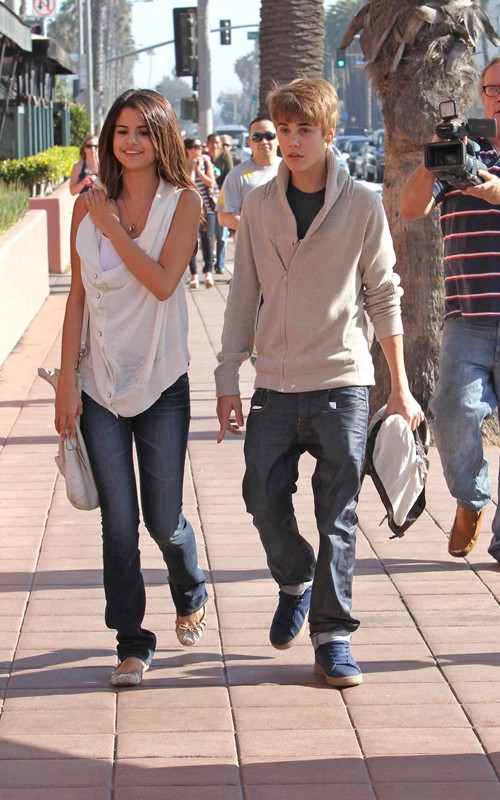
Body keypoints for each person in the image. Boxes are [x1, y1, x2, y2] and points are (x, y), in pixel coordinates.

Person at [215, 77, 422, 688]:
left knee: (338, 514)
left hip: (342, 381)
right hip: (274, 384)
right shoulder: (259, 205)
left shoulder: (361, 204)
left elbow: (384, 293)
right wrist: (227, 375)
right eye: (283, 130)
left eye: (304, 129)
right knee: (262, 498)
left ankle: (332, 636)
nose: (292, 141)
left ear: (328, 133)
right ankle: (294, 578)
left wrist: (400, 387)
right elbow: (243, 292)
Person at [55, 89, 208, 688]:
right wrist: (66, 382)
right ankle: (132, 642)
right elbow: (76, 298)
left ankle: (189, 586)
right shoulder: (86, 205)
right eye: (121, 131)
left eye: (143, 130)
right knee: (118, 522)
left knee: (162, 519)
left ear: (161, 136)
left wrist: (114, 229)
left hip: (162, 382)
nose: (131, 141)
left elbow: (164, 283)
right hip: (100, 385)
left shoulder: (183, 203)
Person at [400, 56, 500, 561]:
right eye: (492, 89)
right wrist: (432, 159)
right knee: (452, 411)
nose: (498, 98)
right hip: (468, 315)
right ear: (481, 95)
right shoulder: (464, 154)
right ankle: (470, 498)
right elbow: (410, 208)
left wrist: (494, 190)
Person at [217, 117, 281, 236]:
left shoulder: (291, 170)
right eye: (257, 137)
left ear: (278, 139)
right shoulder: (237, 174)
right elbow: (224, 217)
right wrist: (263, 229)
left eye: (269, 136)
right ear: (250, 142)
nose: (264, 141)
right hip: (252, 247)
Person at [184, 137, 217, 288]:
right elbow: (189, 185)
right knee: (191, 241)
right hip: (190, 210)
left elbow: (211, 182)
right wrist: (192, 168)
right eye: (196, 147)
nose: (199, 149)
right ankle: (194, 274)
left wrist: (198, 170)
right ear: (188, 150)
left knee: (207, 239)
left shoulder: (206, 160)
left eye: (200, 147)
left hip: (207, 208)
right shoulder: (183, 164)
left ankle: (208, 272)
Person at [206, 132, 233, 274]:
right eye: (212, 142)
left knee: (222, 233)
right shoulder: (204, 157)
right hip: (207, 199)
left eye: (217, 143)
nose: (215, 145)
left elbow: (230, 175)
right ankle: (209, 263)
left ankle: (220, 264)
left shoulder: (225, 156)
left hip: (222, 198)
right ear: (207, 144)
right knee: (208, 234)